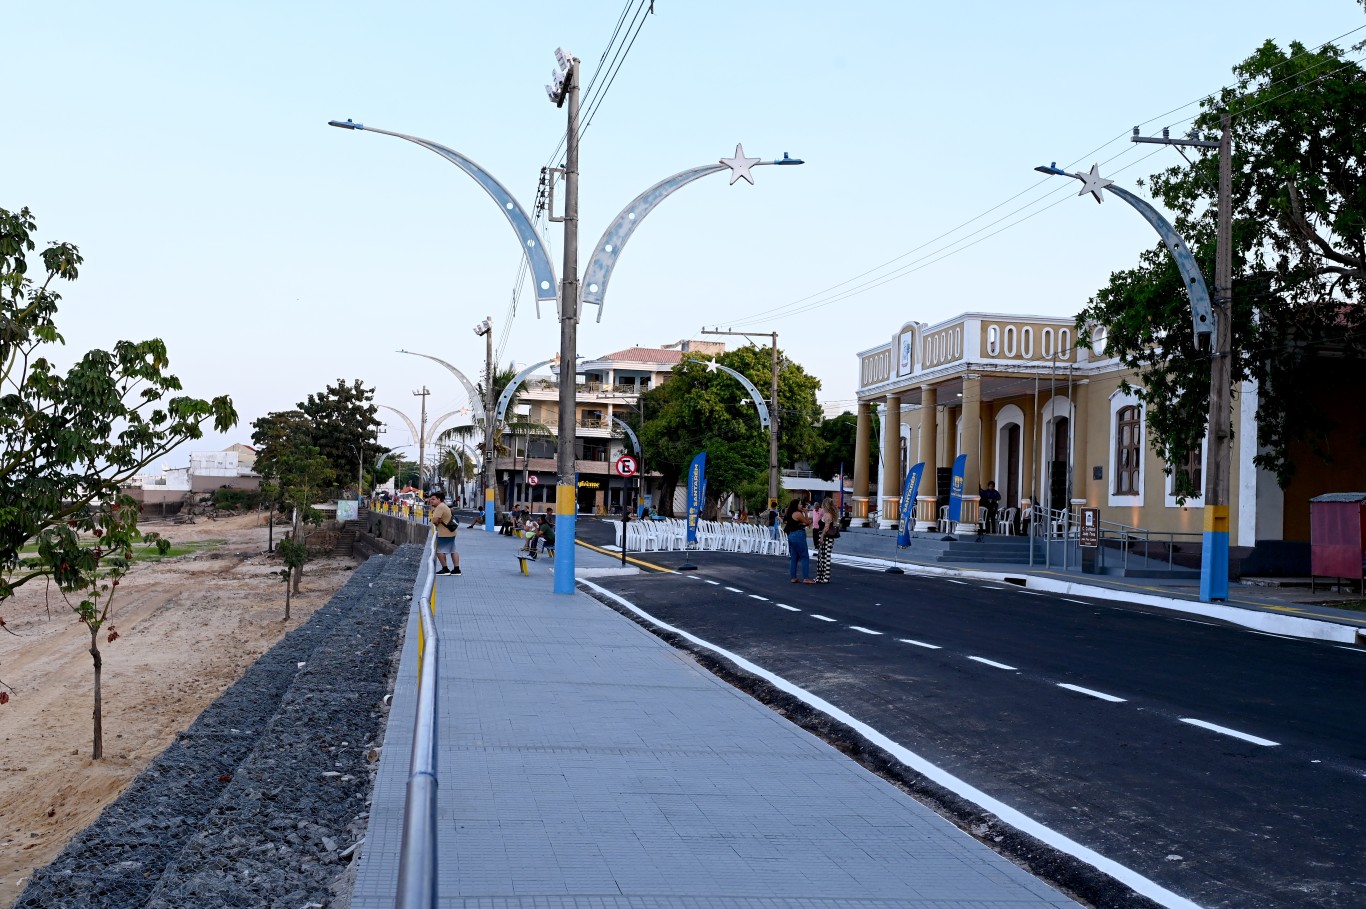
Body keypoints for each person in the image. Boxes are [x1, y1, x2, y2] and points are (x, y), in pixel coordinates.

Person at [426, 490, 462, 576]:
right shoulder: (443, 506)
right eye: (431, 499)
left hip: (444, 533)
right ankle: (456, 569)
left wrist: (436, 523)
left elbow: (434, 520)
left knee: (439, 551)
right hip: (451, 532)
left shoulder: (440, 507)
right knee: (453, 550)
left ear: (439, 499)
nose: (431, 501)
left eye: (433, 499)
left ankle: (445, 569)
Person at [783, 498, 815, 584]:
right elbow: (807, 523)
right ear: (796, 505)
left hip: (791, 535)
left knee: (794, 557)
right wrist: (805, 513)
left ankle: (793, 577)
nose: (802, 506)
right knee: (804, 556)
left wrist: (803, 523)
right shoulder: (798, 513)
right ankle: (806, 578)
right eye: (800, 504)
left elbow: (799, 523)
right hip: (798, 535)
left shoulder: (790, 513)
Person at [814, 496, 837, 584]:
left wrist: (822, 536)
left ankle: (824, 577)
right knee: (822, 557)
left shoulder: (827, 515)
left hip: (826, 538)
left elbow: (826, 527)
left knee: (825, 557)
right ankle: (821, 577)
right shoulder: (830, 514)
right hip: (827, 538)